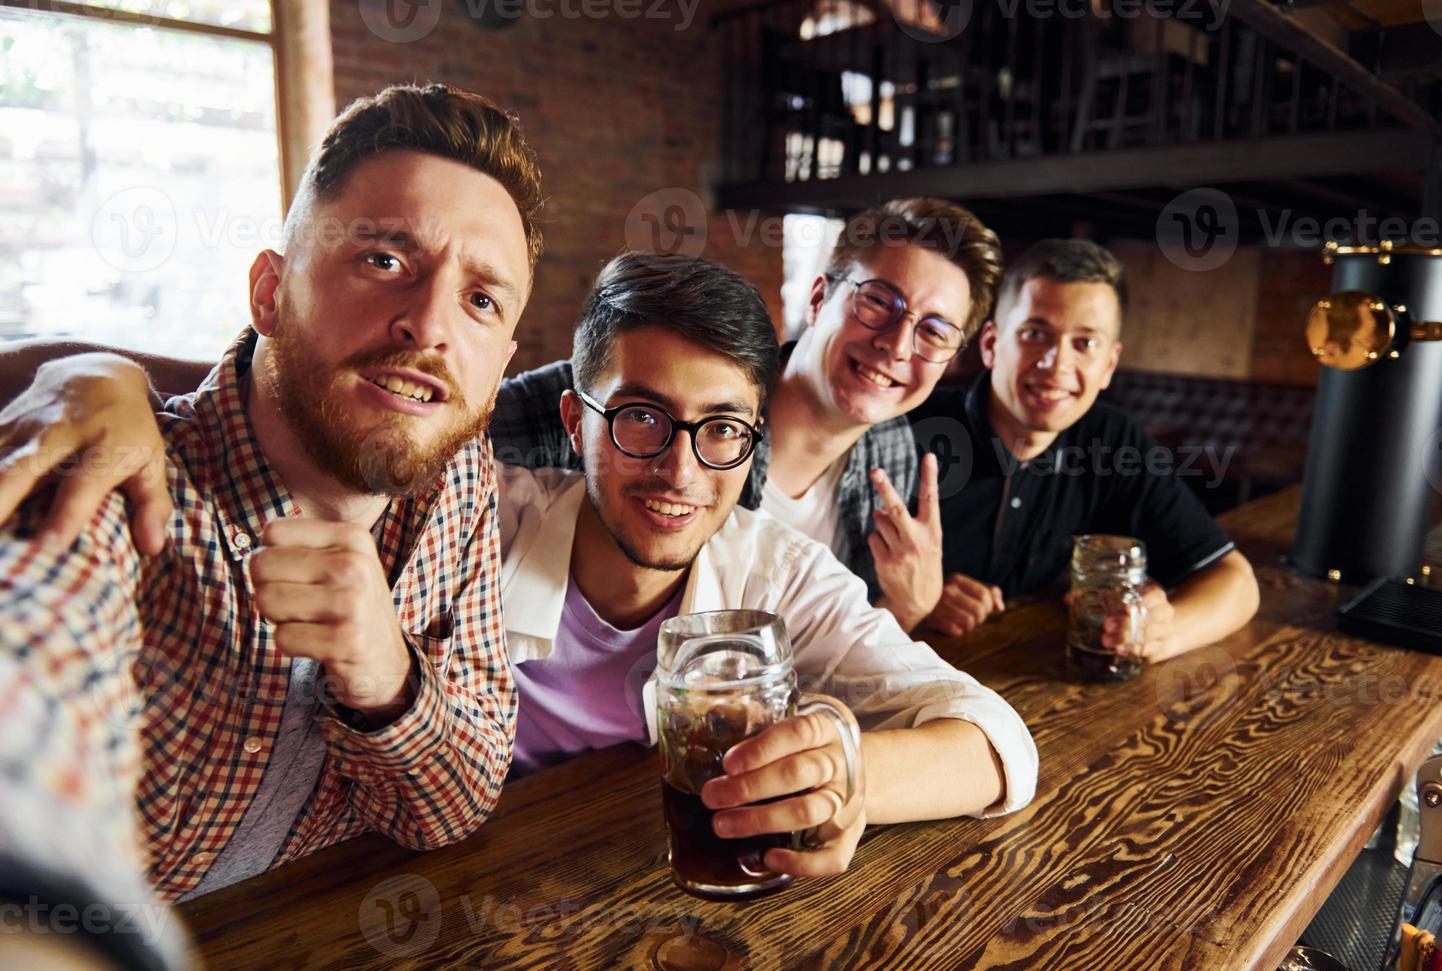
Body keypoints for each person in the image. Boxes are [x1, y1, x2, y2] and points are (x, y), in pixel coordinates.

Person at [0, 81, 543, 915]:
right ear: (269, 295)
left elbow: (457, 801)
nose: (431, 326)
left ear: (500, 367)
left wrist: (388, 678)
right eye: (385, 260)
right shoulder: (115, 471)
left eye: (480, 299)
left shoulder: (452, 473)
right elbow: (29, 689)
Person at [0, 199, 1004, 633]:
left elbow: (843, 653)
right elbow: (370, 410)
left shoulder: (897, 454)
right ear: (822, 294)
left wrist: (911, 618)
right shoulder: (622, 399)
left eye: (934, 330)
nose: (898, 343)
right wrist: (101, 373)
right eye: (879, 302)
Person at [495, 252, 1036, 875]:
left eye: (722, 427)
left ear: (753, 440)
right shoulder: (483, 524)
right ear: (574, 421)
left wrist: (847, 776)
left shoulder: (778, 572)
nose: (680, 472)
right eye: (640, 418)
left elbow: (1001, 744)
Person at [907, 240, 1260, 658]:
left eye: (1085, 343)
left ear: (1108, 365)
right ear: (991, 344)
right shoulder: (911, 429)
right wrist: (912, 603)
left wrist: (1154, 632)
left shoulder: (1113, 442)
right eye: (1035, 334)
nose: (1057, 365)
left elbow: (1236, 581)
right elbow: (820, 578)